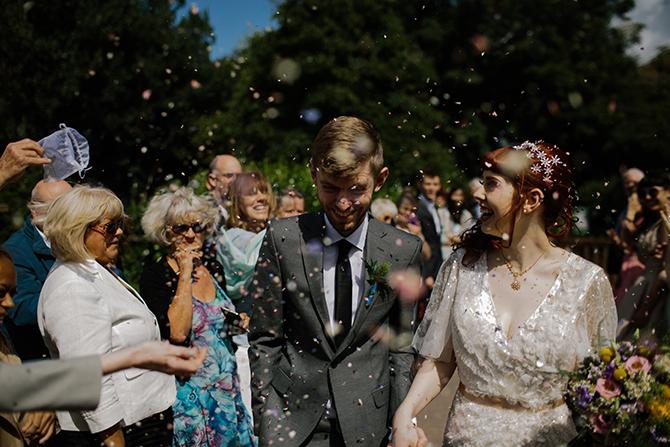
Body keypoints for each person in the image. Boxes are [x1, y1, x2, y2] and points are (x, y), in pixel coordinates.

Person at [392, 141, 617, 446]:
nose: (478, 193)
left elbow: (603, 385)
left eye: (491, 184)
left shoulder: (586, 282)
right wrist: (405, 414)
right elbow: (441, 361)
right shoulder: (462, 267)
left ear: (531, 199)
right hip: (466, 438)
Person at [249, 116, 422, 446]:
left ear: (380, 178)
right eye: (330, 188)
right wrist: (265, 419)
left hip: (366, 423)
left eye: (357, 189)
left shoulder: (402, 250)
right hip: (291, 422)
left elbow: (401, 349)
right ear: (314, 175)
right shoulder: (283, 239)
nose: (343, 204)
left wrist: (401, 421)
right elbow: (265, 337)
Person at [38, 185, 176, 447]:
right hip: (116, 432)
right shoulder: (72, 286)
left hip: (141, 423)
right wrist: (113, 440)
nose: (120, 232)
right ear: (77, 230)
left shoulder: (93, 271)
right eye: (110, 227)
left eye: (120, 223)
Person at [140, 187, 255, 447]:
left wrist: (238, 320)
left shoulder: (213, 265)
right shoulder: (156, 275)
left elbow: (215, 322)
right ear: (165, 232)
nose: (191, 234)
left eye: (197, 226)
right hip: (191, 398)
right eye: (181, 228)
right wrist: (185, 271)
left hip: (227, 389)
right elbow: (178, 333)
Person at [217, 172, 275, 418]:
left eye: (264, 191)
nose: (261, 198)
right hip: (245, 346)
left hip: (271, 343)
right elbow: (255, 258)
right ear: (236, 203)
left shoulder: (270, 235)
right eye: (252, 193)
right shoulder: (232, 239)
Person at [3, 179, 72, 360]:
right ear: (35, 211)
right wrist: (79, 296)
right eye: (62, 207)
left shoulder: (84, 239)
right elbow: (21, 310)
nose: (74, 213)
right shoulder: (16, 251)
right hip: (40, 361)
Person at [617, 171, 670, 339]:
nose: (647, 198)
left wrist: (646, 307)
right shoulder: (652, 219)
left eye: (653, 192)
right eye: (643, 194)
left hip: (659, 292)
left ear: (668, 191)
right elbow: (627, 245)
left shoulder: (666, 220)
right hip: (644, 284)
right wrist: (631, 214)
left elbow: (665, 270)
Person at [609, 168, 646, 300]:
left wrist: (630, 214)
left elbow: (635, 236)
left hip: (639, 266)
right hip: (624, 262)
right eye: (627, 183)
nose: (630, 186)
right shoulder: (625, 205)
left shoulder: (645, 207)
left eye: (634, 183)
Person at [416, 170, 443, 289]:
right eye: (428, 184)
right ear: (420, 185)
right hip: (425, 269)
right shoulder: (417, 208)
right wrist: (427, 274)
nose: (432, 188)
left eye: (435, 184)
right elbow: (421, 242)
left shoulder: (433, 207)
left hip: (436, 266)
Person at [435, 187, 474, 260]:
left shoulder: (467, 215)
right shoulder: (442, 212)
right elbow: (442, 234)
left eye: (460, 195)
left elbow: (467, 235)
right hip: (443, 252)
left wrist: (453, 238)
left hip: (460, 253)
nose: (458, 198)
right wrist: (455, 239)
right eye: (455, 195)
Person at [207, 154, 243, 224]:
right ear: (213, 180)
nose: (235, 180)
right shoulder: (202, 211)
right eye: (229, 175)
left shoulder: (244, 208)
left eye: (239, 176)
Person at [395, 194, 431, 262]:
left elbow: (427, 256)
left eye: (412, 210)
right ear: (397, 208)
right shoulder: (391, 226)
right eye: (405, 209)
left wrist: (419, 234)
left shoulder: (415, 229)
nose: (408, 213)